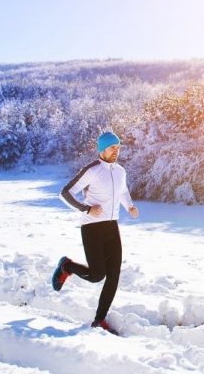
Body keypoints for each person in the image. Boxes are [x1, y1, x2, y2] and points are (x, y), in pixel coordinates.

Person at [52, 131, 139, 334]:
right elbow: (65, 193)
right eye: (112, 148)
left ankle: (99, 320)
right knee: (96, 275)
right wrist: (86, 209)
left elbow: (123, 190)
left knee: (114, 275)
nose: (116, 151)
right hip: (91, 227)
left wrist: (130, 206)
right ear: (102, 149)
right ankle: (67, 266)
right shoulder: (92, 170)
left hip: (111, 226)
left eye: (118, 148)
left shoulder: (120, 171)